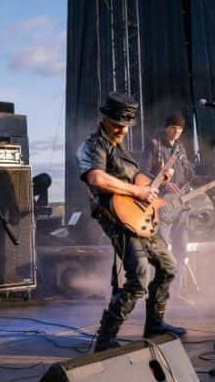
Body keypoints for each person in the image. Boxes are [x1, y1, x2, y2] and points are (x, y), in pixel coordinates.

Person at [76, 92, 187, 352]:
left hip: (140, 218)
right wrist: (138, 192)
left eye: (126, 126)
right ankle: (106, 338)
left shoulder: (121, 148)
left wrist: (157, 181)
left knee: (168, 267)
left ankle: (155, 325)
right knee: (138, 279)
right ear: (104, 118)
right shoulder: (94, 145)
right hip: (118, 220)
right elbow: (97, 179)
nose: (123, 130)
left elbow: (135, 178)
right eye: (117, 125)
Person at [143, 111, 194, 293]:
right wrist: (165, 183)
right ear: (166, 128)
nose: (177, 132)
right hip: (162, 204)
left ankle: (178, 291)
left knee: (181, 247)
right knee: (161, 249)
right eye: (173, 128)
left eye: (180, 129)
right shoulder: (154, 145)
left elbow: (186, 172)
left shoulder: (180, 149)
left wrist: (189, 173)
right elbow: (143, 173)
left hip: (181, 203)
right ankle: (159, 292)